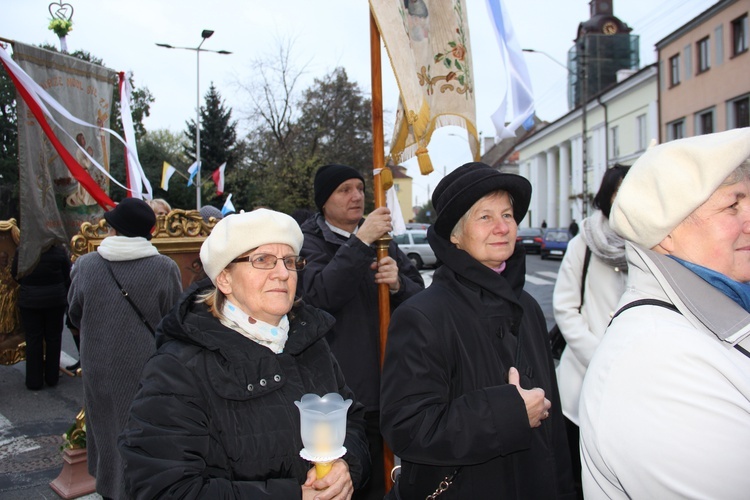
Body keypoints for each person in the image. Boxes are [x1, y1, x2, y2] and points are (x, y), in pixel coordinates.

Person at [119, 208, 370, 499]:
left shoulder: (311, 342)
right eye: (262, 260)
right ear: (224, 278)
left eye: (290, 261)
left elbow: (352, 420)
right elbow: (163, 488)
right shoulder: (177, 368)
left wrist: (347, 465)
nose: (282, 273)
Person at [380, 162, 575, 499]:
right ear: (454, 235)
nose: (502, 227)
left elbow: (554, 430)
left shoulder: (527, 307)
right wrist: (509, 414)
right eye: (485, 217)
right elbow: (407, 428)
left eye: (508, 216)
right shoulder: (423, 315)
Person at [579, 128, 750, 498]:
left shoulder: (706, 321)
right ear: (667, 233)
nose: (748, 216)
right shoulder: (656, 364)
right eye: (732, 205)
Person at [299, 164, 424, 499]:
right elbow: (321, 296)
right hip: (341, 389)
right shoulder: (308, 244)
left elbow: (421, 296)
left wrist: (398, 284)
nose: (356, 196)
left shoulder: (384, 242)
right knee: (348, 478)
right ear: (324, 201)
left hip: (390, 381)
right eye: (344, 190)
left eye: (359, 188)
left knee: (388, 478)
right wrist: (361, 240)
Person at [67, 197, 182, 500]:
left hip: (99, 367)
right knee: (146, 436)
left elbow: (74, 313)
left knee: (106, 434)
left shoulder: (86, 264)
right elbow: (172, 321)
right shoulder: (164, 268)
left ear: (116, 229)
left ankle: (110, 491)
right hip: (147, 370)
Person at [552, 163, 630, 497]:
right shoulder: (584, 243)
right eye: (620, 189)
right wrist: (600, 356)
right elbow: (565, 307)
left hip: (633, 383)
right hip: (582, 379)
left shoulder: (652, 242)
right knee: (577, 475)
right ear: (607, 195)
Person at [11, 244, 71, 390]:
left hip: (30, 300)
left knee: (33, 339)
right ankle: (52, 377)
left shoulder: (24, 250)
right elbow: (66, 274)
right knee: (54, 338)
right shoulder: (59, 251)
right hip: (55, 299)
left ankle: (34, 381)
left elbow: (15, 273)